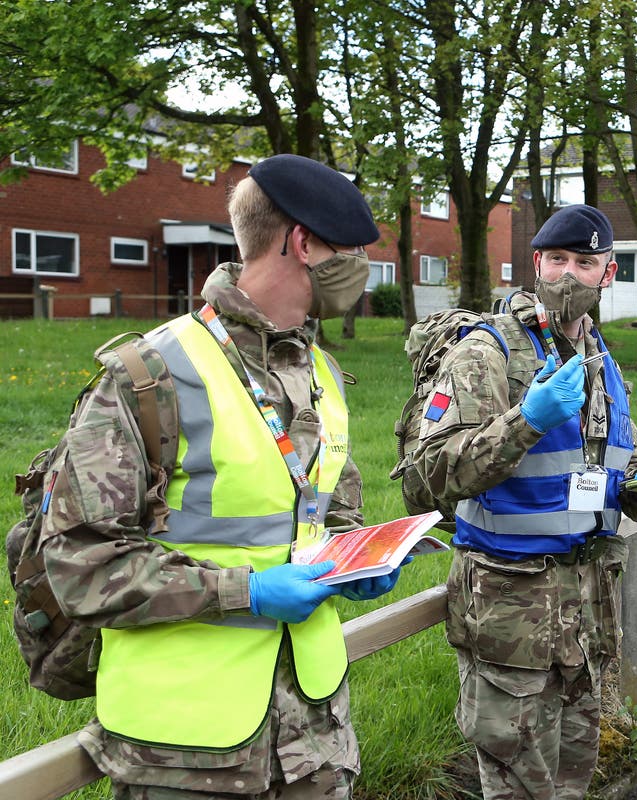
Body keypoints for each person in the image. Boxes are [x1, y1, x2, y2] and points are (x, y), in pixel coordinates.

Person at [40, 154, 403, 799]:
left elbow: (323, 515)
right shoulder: (150, 374)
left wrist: (359, 557)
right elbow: (81, 565)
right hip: (186, 752)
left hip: (314, 738)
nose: (360, 268)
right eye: (349, 250)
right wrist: (248, 592)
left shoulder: (318, 370)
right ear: (300, 243)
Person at [411, 204, 637, 800]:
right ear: (536, 264)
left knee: (572, 783)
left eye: (584, 263)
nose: (568, 275)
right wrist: (525, 421)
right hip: (512, 622)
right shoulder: (487, 354)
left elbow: (608, 456)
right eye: (557, 260)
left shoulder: (600, 356)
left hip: (586, 620)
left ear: (608, 274)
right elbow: (424, 477)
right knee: (518, 788)